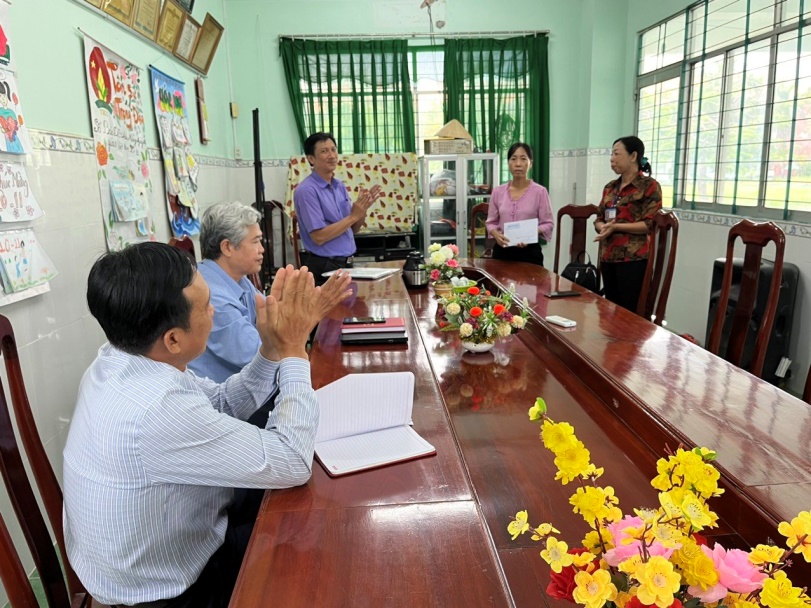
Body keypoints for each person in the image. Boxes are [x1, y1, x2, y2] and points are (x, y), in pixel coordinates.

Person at [63, 243, 327, 608]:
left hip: (162, 547)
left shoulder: (119, 359)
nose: (214, 310)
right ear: (173, 339)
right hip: (174, 592)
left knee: (295, 505)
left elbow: (219, 404)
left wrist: (270, 350)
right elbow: (293, 462)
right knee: (316, 536)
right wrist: (296, 349)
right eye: (205, 307)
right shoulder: (156, 410)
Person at [189, 201, 351, 383]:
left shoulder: (238, 279)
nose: (262, 249)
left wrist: (290, 315)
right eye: (256, 241)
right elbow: (265, 358)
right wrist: (309, 317)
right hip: (228, 404)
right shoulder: (212, 297)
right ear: (227, 247)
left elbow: (272, 327)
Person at [293, 132, 383, 284]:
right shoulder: (306, 191)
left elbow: (352, 229)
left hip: (346, 264)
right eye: (324, 151)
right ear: (311, 159)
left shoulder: (339, 185)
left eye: (333, 149)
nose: (332, 155)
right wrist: (353, 216)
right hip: (324, 266)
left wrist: (362, 210)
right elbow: (319, 237)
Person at [593, 135, 662, 312]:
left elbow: (649, 224)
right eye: (611, 154)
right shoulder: (610, 187)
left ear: (633, 156)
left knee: (630, 315)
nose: (612, 158)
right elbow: (599, 218)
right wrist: (603, 228)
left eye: (616, 154)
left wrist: (615, 227)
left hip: (633, 259)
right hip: (608, 257)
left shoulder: (649, 186)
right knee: (610, 311)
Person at [486, 142, 554, 267]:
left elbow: (548, 223)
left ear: (531, 164)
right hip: (502, 251)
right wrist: (496, 234)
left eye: (523, 159)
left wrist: (530, 233)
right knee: (501, 286)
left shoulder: (540, 192)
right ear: (508, 163)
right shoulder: (498, 191)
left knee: (530, 286)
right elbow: (490, 223)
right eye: (513, 159)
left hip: (530, 253)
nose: (518, 164)